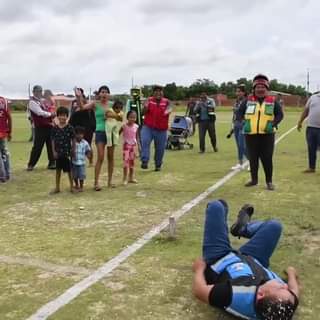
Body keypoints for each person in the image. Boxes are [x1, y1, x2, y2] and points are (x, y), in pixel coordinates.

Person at [192, 199, 299, 320]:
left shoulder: (232, 295)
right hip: (254, 260)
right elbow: (294, 291)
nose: (285, 286)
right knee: (274, 226)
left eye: (281, 288)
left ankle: (225, 211)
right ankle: (241, 229)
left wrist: (199, 270)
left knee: (217, 206)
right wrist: (291, 274)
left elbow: (200, 291)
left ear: (260, 294)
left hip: (220, 259)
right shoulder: (285, 305)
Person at [239, 74, 283, 190]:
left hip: (267, 135)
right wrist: (244, 122)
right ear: (254, 88)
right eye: (258, 87)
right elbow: (239, 114)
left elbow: (280, 115)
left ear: (267, 89)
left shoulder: (272, 101)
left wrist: (273, 124)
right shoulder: (247, 100)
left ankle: (269, 182)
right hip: (251, 135)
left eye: (263, 87)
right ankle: (254, 180)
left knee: (267, 159)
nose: (260, 89)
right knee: (253, 159)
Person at [75, 85, 116, 191]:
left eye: (106, 92)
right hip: (100, 132)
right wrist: (79, 97)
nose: (104, 94)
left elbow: (120, 116)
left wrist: (111, 116)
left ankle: (110, 181)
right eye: (102, 92)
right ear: (99, 94)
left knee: (111, 157)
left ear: (109, 94)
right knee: (101, 157)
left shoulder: (112, 104)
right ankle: (96, 183)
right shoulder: (95, 104)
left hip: (110, 132)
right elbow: (82, 107)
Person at [140, 85, 171, 171]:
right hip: (148, 127)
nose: (158, 93)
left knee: (160, 148)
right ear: (153, 93)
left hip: (161, 129)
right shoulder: (149, 100)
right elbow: (142, 113)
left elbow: (169, 109)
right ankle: (144, 161)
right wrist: (145, 107)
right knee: (145, 142)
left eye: (160, 91)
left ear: (163, 93)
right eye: (156, 91)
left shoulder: (167, 102)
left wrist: (167, 110)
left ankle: (158, 165)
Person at [27, 85, 56, 171]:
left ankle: (52, 163)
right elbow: (39, 113)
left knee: (51, 146)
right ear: (34, 92)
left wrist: (51, 112)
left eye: (41, 91)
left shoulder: (42, 101)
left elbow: (49, 107)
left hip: (49, 126)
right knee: (37, 147)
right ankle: (31, 164)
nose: (40, 93)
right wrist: (50, 114)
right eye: (38, 91)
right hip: (40, 127)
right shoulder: (32, 102)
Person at [51, 107, 75, 194]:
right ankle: (57, 187)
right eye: (60, 115)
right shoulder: (55, 128)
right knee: (58, 170)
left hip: (67, 153)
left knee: (69, 171)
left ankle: (72, 187)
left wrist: (73, 149)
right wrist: (53, 151)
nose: (62, 117)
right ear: (57, 116)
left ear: (67, 116)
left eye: (64, 115)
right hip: (58, 153)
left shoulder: (70, 128)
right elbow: (53, 140)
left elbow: (73, 139)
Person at [69, 88, 96, 165]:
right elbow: (72, 114)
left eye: (79, 92)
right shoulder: (74, 102)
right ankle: (74, 161)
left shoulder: (86, 101)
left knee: (88, 145)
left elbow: (91, 115)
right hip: (76, 126)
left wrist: (92, 127)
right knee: (74, 144)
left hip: (86, 128)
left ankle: (91, 161)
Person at [297, 91, 320, 173]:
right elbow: (306, 110)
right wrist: (300, 121)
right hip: (311, 127)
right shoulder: (313, 97)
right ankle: (311, 167)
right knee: (311, 148)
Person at [227, 84, 248, 170]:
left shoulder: (247, 101)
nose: (237, 93)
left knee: (242, 145)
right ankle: (240, 163)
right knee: (238, 146)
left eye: (239, 91)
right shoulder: (236, 101)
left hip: (243, 124)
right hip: (236, 124)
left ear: (244, 92)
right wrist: (232, 125)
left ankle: (252, 161)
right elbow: (234, 114)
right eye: (237, 91)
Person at [105, 100, 124, 187]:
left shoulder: (121, 113)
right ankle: (109, 181)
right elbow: (108, 114)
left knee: (110, 157)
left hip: (113, 136)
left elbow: (120, 122)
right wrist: (117, 116)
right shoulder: (110, 110)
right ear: (113, 107)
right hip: (106, 134)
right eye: (116, 108)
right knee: (108, 157)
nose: (118, 110)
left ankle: (109, 181)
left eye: (120, 109)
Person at [120, 110, 139, 185]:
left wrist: (138, 148)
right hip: (126, 146)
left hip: (133, 146)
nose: (133, 119)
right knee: (126, 163)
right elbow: (118, 133)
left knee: (132, 163)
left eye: (134, 117)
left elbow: (137, 137)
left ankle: (131, 178)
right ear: (127, 118)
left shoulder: (136, 126)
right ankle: (124, 178)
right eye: (131, 117)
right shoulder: (124, 126)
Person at [72, 126, 92, 192]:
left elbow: (88, 150)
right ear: (75, 134)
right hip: (74, 162)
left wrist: (89, 156)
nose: (79, 135)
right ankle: (76, 184)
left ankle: (81, 186)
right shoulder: (73, 142)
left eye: (81, 134)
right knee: (74, 175)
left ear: (83, 135)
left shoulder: (85, 143)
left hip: (82, 162)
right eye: (78, 134)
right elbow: (70, 150)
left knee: (81, 175)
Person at [0, 96, 12, 182]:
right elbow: (9, 117)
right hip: (3, 132)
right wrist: (9, 132)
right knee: (4, 153)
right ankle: (7, 174)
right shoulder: (4, 100)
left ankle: (2, 176)